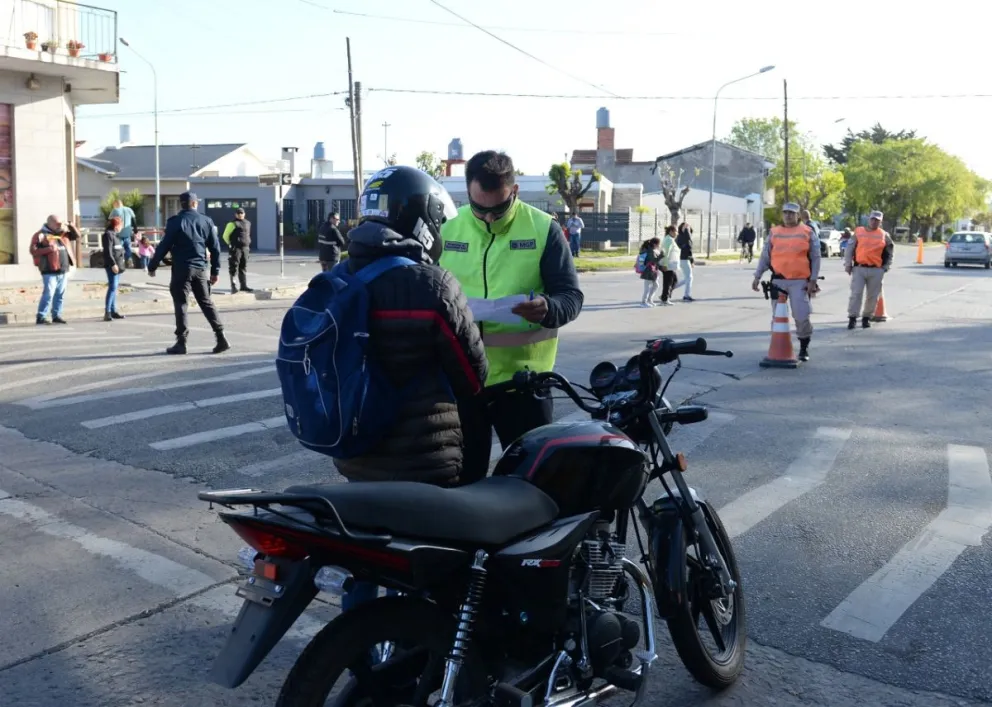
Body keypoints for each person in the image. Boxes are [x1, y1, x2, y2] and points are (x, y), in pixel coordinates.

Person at [333, 165, 488, 610]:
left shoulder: (338, 278)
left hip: (354, 456)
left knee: (365, 557)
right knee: (431, 570)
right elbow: (473, 377)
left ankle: (357, 646)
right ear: (423, 222)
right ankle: (427, 654)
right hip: (424, 463)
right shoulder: (431, 285)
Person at [440, 150, 584, 478]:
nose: (489, 217)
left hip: (524, 383)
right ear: (467, 195)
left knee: (531, 482)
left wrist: (549, 309)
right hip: (461, 380)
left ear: (514, 191)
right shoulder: (448, 230)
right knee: (461, 484)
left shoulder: (543, 228)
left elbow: (571, 297)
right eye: (480, 208)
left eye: (499, 208)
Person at [148, 191, 230, 355]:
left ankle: (181, 342)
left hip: (181, 269)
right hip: (200, 269)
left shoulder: (175, 222)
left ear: (182, 204)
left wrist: (153, 265)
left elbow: (164, 245)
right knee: (206, 302)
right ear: (194, 203)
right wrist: (215, 271)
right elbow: (215, 247)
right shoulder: (206, 221)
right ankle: (221, 337)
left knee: (181, 304)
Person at [751, 202, 821, 362]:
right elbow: (765, 256)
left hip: (799, 281)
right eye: (785, 213)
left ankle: (804, 347)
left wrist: (813, 280)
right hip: (778, 281)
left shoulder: (807, 232)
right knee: (778, 316)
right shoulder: (774, 232)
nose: (788, 215)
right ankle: (778, 346)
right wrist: (757, 276)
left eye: (792, 213)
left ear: (798, 215)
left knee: (801, 315)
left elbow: (816, 257)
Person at [844, 210, 894, 329]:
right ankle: (852, 318)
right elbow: (849, 248)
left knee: (872, 296)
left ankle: (866, 318)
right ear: (869, 219)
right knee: (856, 294)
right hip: (859, 268)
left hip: (876, 270)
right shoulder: (859, 232)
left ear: (880, 222)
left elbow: (890, 251)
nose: (874, 222)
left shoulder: (884, 235)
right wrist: (848, 264)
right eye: (872, 219)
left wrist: (885, 267)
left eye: (877, 220)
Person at [29, 215, 80, 325]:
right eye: (57, 224)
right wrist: (48, 249)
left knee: (60, 294)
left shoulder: (63, 234)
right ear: (50, 223)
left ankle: (56, 315)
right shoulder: (40, 235)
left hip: (63, 269)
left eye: (60, 224)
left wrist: (71, 225)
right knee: (49, 294)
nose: (60, 226)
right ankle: (41, 316)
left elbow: (77, 236)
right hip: (49, 271)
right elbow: (33, 251)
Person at [221, 207, 253, 293]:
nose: (240, 214)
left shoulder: (248, 223)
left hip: (245, 248)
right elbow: (225, 236)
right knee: (234, 267)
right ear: (236, 214)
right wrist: (231, 244)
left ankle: (243, 285)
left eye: (242, 213)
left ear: (244, 214)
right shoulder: (232, 224)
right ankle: (233, 286)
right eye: (238, 213)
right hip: (236, 248)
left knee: (243, 267)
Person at [101, 215, 126, 321]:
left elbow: (118, 249)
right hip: (113, 266)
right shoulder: (108, 235)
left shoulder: (115, 235)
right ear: (117, 225)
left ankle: (113, 310)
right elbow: (108, 251)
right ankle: (107, 312)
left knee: (114, 288)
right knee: (112, 287)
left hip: (118, 265)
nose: (122, 227)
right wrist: (113, 264)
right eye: (121, 225)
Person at [109, 198, 137, 268]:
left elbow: (110, 220)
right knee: (128, 248)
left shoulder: (115, 210)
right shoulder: (129, 209)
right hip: (128, 232)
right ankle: (129, 259)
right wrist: (136, 229)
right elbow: (134, 220)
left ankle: (121, 261)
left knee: (118, 248)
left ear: (116, 204)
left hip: (119, 233)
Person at [637, 238, 661, 307]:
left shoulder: (653, 250)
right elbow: (653, 260)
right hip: (648, 271)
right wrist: (661, 255)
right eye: (658, 244)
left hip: (653, 271)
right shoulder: (650, 251)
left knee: (656, 285)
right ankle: (643, 302)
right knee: (647, 287)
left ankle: (649, 300)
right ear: (654, 244)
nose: (659, 245)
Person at [675, 221, 695, 302]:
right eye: (685, 227)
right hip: (683, 259)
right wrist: (686, 230)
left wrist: (691, 261)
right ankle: (686, 295)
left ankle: (672, 287)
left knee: (688, 278)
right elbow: (687, 248)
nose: (687, 228)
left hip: (685, 259)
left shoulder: (684, 237)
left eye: (688, 226)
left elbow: (689, 250)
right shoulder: (682, 237)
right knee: (689, 278)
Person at [660, 225, 680, 305]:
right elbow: (666, 253)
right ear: (671, 231)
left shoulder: (670, 239)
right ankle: (665, 299)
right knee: (668, 282)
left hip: (670, 264)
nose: (677, 233)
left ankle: (664, 296)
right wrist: (665, 265)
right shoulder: (669, 240)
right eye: (676, 231)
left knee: (674, 280)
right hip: (668, 265)